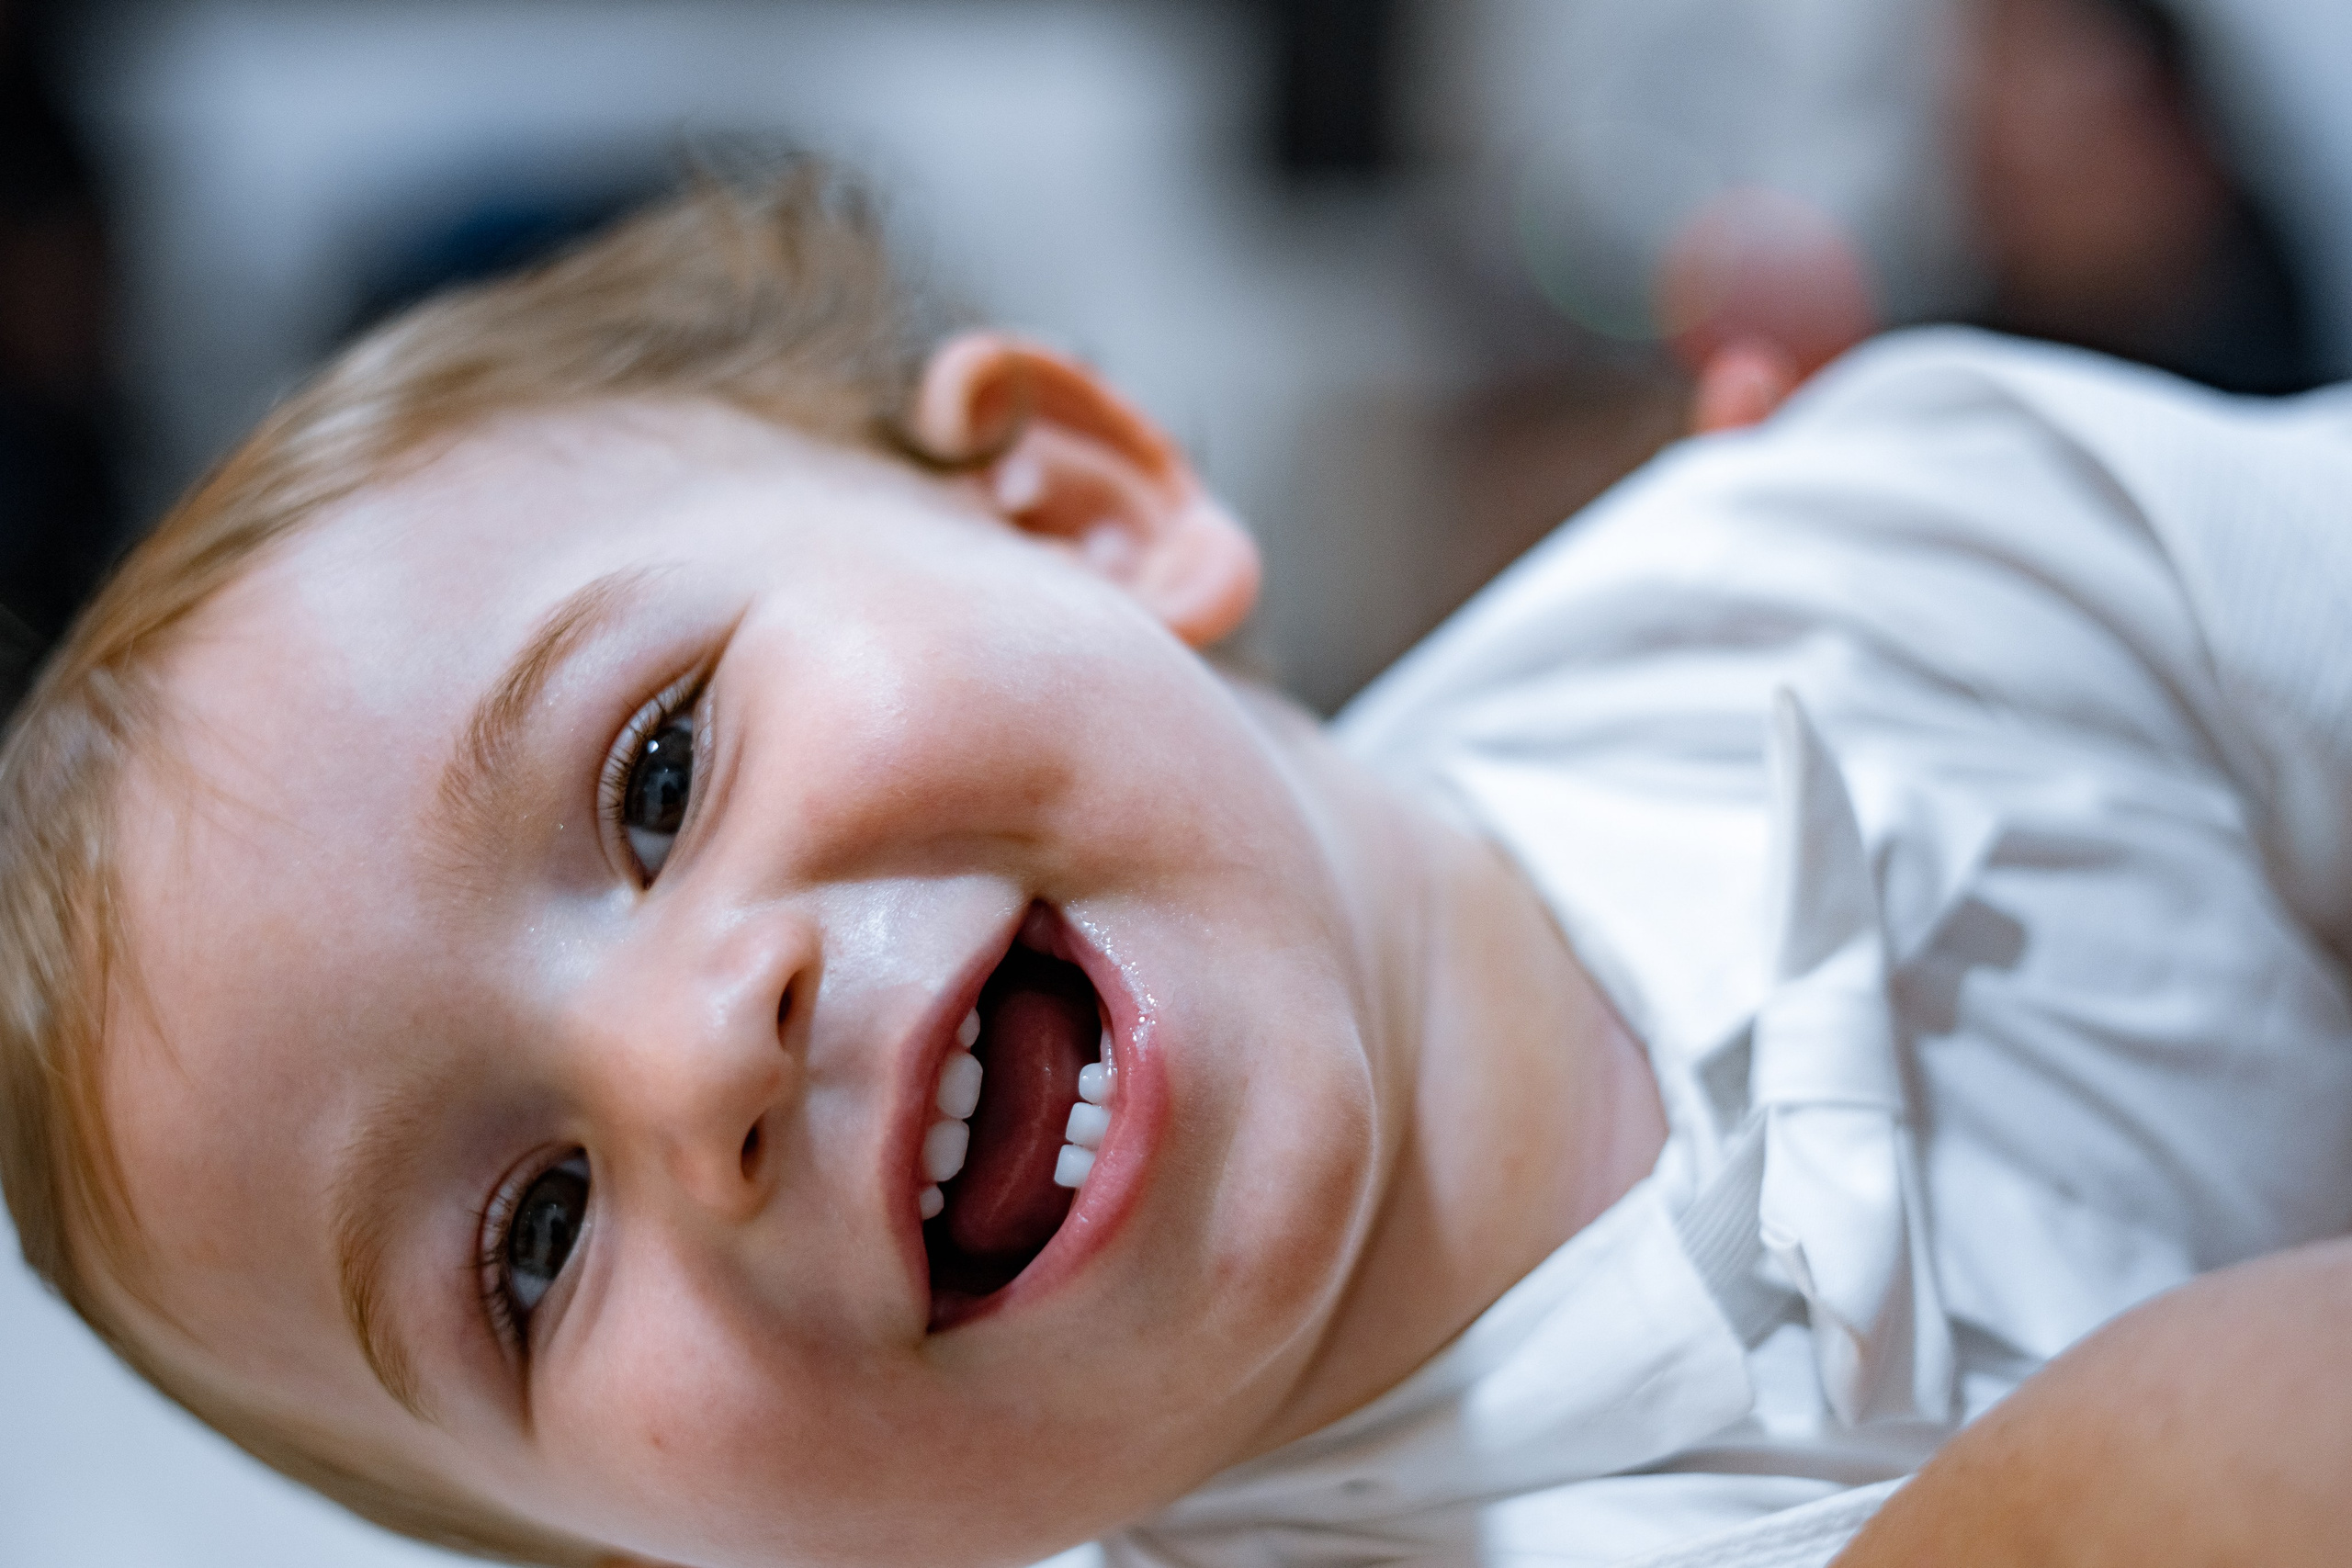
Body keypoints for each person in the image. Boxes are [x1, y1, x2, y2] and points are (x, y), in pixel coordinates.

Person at [3, 166, 2350, 1568]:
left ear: (1069, 502)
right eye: (527, 1244)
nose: (681, 1051)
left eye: (655, 772)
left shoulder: (1856, 565)